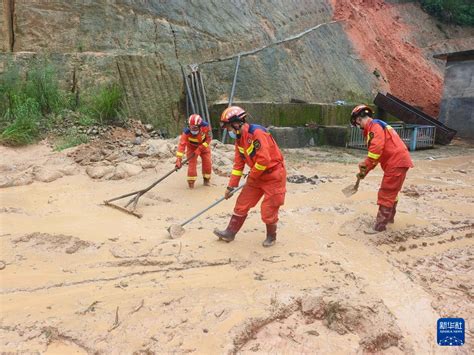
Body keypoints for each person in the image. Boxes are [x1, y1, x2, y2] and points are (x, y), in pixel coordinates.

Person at [214, 106, 286, 247]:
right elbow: (238, 165)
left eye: (228, 128)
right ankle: (230, 233)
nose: (228, 131)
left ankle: (271, 236)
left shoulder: (257, 133)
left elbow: (264, 160)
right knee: (242, 203)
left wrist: (251, 177)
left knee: (268, 209)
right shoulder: (239, 139)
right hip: (256, 175)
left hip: (273, 176)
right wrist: (231, 186)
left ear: (236, 123)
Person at [350, 104, 414, 233]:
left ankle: (379, 227)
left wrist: (366, 164)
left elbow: (376, 150)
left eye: (358, 125)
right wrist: (365, 170)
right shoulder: (378, 125)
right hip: (399, 161)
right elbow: (377, 155)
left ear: (358, 120)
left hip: (396, 162)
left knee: (387, 192)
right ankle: (389, 220)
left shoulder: (374, 127)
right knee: (392, 192)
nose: (359, 127)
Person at [175, 114, 212, 188]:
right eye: (191, 127)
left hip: (204, 146)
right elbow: (181, 146)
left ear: (200, 126)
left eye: (195, 128)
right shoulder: (186, 132)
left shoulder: (206, 127)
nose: (192, 130)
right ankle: (191, 184)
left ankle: (206, 180)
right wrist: (178, 159)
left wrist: (200, 148)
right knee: (192, 165)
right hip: (191, 148)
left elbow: (209, 139)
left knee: (207, 162)